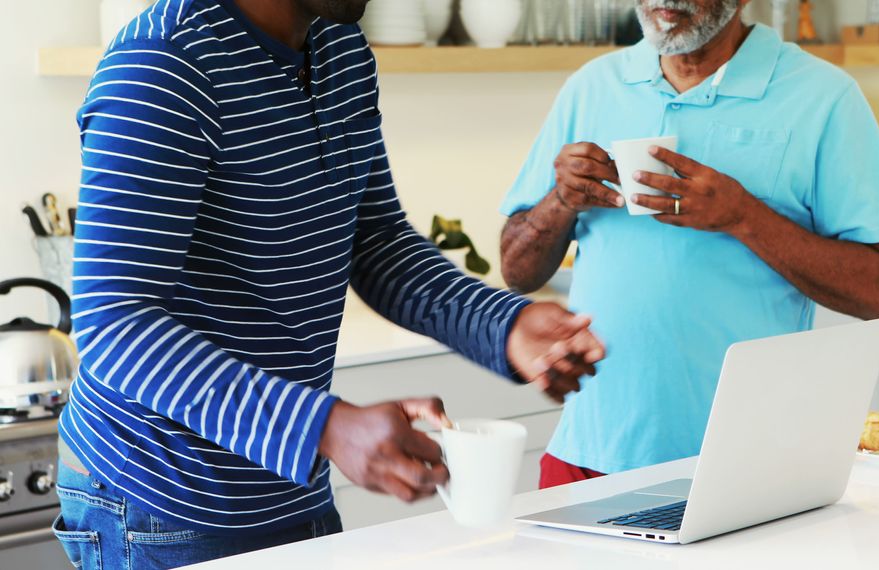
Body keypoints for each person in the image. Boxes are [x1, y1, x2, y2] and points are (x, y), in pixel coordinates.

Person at [55, 0, 606, 567]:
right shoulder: (163, 63)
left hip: (289, 485)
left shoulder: (340, 50)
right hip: (161, 506)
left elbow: (377, 243)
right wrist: (325, 425)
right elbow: (114, 323)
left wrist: (506, 324)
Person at [499, 0, 879, 488]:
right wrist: (560, 200)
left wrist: (743, 215)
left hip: (747, 467)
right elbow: (517, 270)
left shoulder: (824, 97)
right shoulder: (592, 87)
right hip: (587, 453)